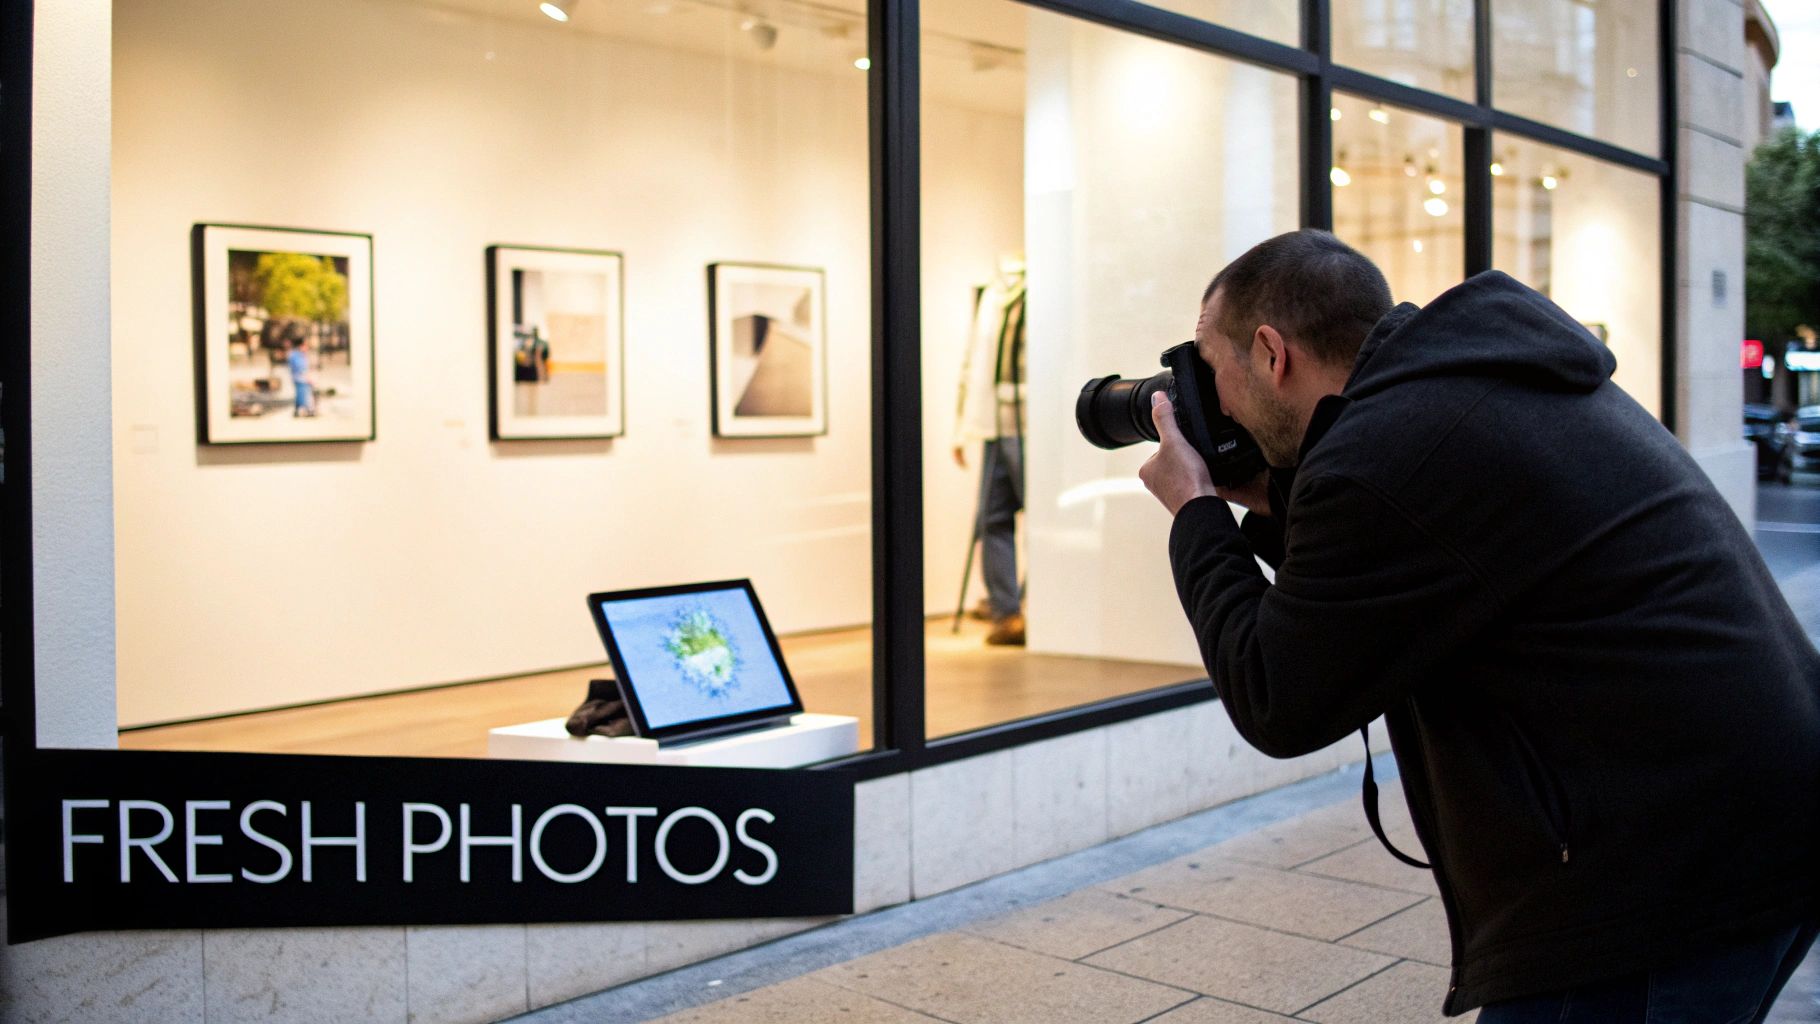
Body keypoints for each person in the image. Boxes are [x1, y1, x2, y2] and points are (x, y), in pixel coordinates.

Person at [1137, 229, 1820, 1021]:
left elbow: (1276, 698)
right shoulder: (1459, 390)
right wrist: (1264, 497)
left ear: (1270, 353)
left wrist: (1196, 512)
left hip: (1661, 877)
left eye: (1208, 369)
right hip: (1739, 822)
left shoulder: (1388, 449)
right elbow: (1392, 559)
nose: (1209, 403)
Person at [954, 258, 1027, 646]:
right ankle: (1006, 609)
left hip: (1030, 426)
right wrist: (962, 427)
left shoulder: (1034, 293)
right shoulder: (992, 296)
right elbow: (973, 364)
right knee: (992, 518)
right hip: (993, 426)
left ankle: (1030, 607)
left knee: (1041, 521)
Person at [287, 336, 314, 417]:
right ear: (300, 346)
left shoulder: (299, 355)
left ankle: (298, 409)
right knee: (303, 394)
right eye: (305, 345)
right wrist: (308, 378)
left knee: (300, 394)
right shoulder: (296, 355)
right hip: (300, 378)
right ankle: (306, 409)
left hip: (300, 378)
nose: (307, 347)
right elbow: (300, 368)